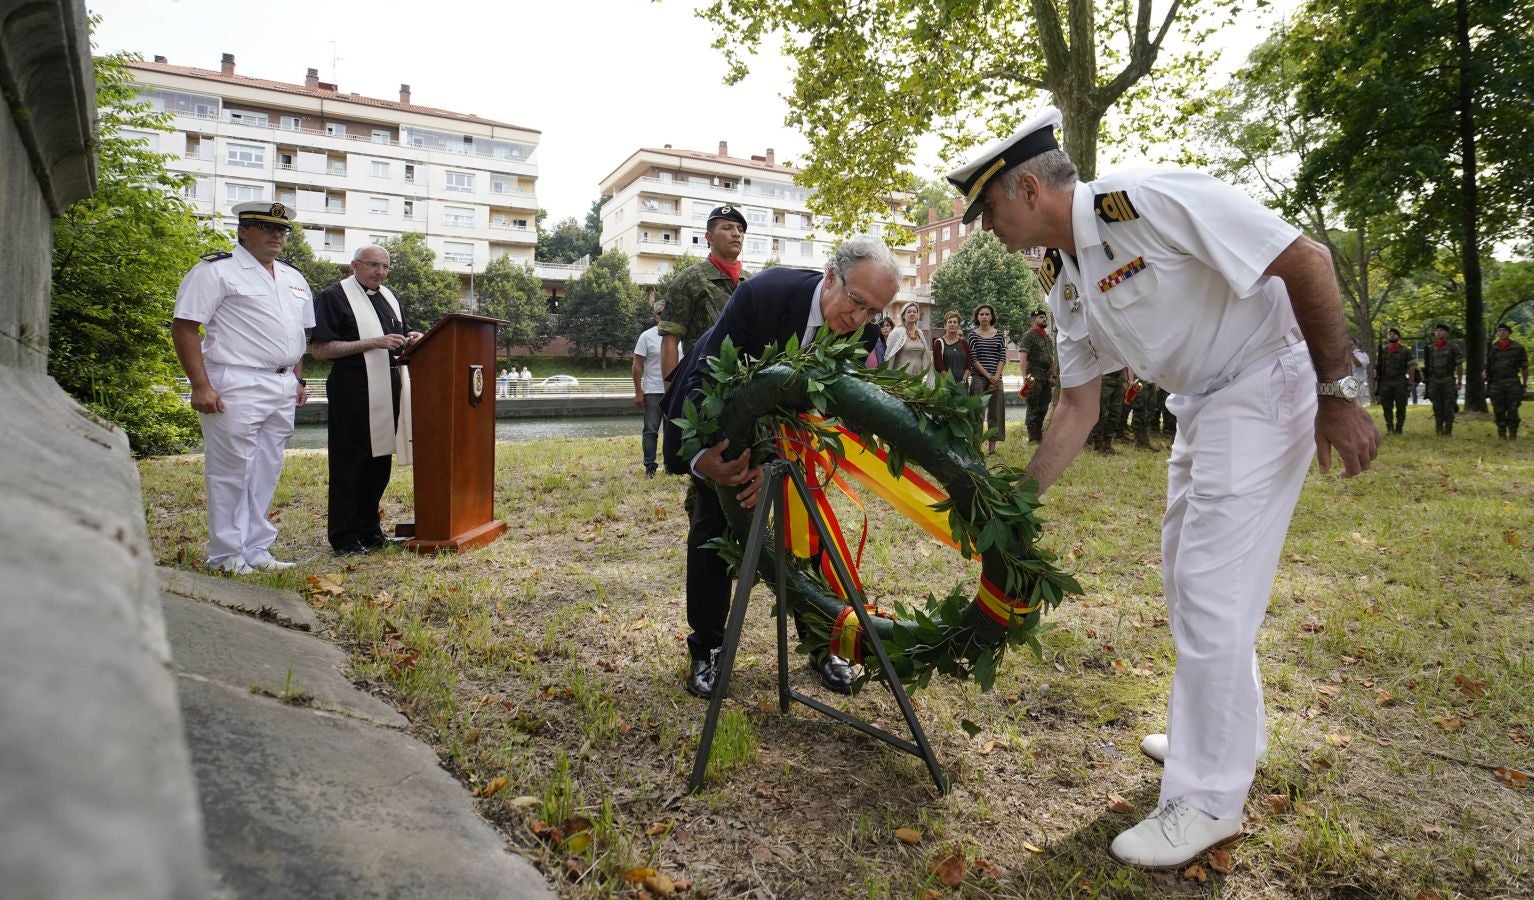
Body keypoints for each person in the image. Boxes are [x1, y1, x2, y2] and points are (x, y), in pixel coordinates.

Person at [945, 105, 1377, 868]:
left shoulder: (1147, 201)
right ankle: (1219, 737)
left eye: (987, 211)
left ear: (1027, 193)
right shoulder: (1060, 274)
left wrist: (1338, 392)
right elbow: (1077, 405)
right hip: (1203, 404)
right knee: (1190, 582)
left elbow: (1304, 258)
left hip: (1262, 382)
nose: (986, 230)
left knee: (1212, 587)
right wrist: (1017, 501)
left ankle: (1207, 799)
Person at [661, 236, 897, 701]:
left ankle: (821, 642)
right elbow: (704, 375)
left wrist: (772, 465)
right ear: (831, 276)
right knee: (712, 530)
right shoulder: (763, 295)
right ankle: (707, 648)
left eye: (874, 312)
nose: (860, 320)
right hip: (724, 423)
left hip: (797, 442)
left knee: (811, 536)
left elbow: (841, 409)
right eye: (856, 302)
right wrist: (706, 463)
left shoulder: (865, 332)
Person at [171, 201, 315, 574]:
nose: (276, 236)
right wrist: (200, 385)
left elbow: (300, 334)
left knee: (267, 467)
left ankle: (256, 549)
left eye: (281, 231)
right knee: (231, 469)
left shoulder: (292, 278)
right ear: (243, 230)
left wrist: (297, 378)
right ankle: (226, 554)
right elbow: (185, 327)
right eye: (266, 228)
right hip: (236, 379)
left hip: (282, 383)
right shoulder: (216, 271)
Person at [308, 245, 421, 555]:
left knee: (378, 465)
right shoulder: (333, 297)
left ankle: (370, 532)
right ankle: (344, 538)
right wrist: (374, 343)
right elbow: (320, 349)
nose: (380, 272)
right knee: (349, 466)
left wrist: (414, 336)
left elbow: (400, 332)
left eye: (385, 266)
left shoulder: (389, 297)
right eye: (373, 265)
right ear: (354, 264)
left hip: (388, 389)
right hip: (352, 392)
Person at [659, 206, 748, 384]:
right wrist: (670, 398)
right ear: (709, 237)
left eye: (740, 229)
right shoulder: (689, 279)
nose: (736, 234)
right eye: (727, 228)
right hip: (704, 385)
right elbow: (670, 339)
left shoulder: (752, 282)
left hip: (748, 385)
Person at [632, 310, 672, 476]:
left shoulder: (680, 336)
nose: (664, 315)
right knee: (650, 429)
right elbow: (637, 365)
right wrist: (638, 392)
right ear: (655, 316)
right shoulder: (646, 337)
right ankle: (650, 466)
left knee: (673, 431)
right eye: (660, 312)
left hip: (674, 391)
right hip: (653, 391)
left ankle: (671, 466)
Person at [966, 303, 1008, 454]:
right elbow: (973, 359)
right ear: (977, 317)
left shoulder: (999, 334)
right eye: (981, 314)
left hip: (997, 378)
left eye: (987, 314)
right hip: (979, 377)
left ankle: (992, 449)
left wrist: (996, 377)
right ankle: (976, 447)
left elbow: (1002, 357)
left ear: (992, 317)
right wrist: (989, 376)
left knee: (996, 413)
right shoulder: (972, 335)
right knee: (977, 413)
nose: (984, 316)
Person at [1017, 309, 1055, 443]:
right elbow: (1023, 358)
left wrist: (1053, 375)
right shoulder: (1029, 336)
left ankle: (1038, 435)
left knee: (1044, 406)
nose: (1044, 319)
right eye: (1041, 317)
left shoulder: (1047, 338)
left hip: (1046, 377)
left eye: (1045, 317)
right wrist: (1024, 377)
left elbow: (1051, 359)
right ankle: (1033, 438)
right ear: (1034, 321)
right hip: (1033, 376)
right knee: (1033, 406)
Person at [1486, 322, 1528, 440]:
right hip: (1496, 383)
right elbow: (1488, 364)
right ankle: (1501, 432)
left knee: (1512, 409)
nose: (1502, 332)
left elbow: (1524, 367)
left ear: (1509, 333)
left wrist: (1524, 384)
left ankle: (1513, 432)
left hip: (1512, 382)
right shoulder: (1493, 347)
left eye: (1504, 330)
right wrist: (1485, 374)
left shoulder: (1518, 347)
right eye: (1499, 330)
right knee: (1498, 409)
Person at [1423, 323, 1464, 436]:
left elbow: (1459, 365)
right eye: (1436, 330)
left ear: (1447, 332)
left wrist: (1459, 381)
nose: (1438, 332)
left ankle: (1448, 430)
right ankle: (1439, 429)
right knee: (1437, 407)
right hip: (1434, 381)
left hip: (1448, 381)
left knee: (1448, 407)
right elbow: (1428, 365)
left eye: (1441, 330)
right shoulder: (1431, 348)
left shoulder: (1453, 347)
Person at [883, 300, 934, 385]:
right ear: (903, 315)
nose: (912, 314)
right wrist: (887, 378)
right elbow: (888, 356)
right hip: (900, 379)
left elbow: (926, 357)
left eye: (914, 312)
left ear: (917, 315)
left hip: (918, 379)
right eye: (909, 312)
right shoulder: (896, 332)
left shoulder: (920, 333)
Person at [1374, 328, 1414, 434]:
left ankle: (1399, 427)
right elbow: (1378, 366)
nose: (1391, 335)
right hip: (1385, 382)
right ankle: (1390, 427)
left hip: (1400, 382)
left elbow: (1411, 367)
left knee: (1401, 406)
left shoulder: (1405, 350)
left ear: (1398, 336)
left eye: (1394, 334)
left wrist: (1410, 382)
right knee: (1386, 406)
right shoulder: (1383, 350)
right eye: (1390, 334)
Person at [930, 310, 972, 385]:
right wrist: (950, 383)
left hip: (962, 385)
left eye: (955, 322)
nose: (952, 324)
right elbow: (939, 366)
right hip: (945, 385)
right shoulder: (939, 343)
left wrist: (963, 381)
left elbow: (968, 365)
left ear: (959, 326)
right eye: (949, 322)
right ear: (945, 326)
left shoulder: (964, 343)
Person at [1348, 338, 1371, 406]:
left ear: (1356, 345)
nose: (1349, 346)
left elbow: (1358, 364)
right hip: (1346, 383)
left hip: (1358, 383)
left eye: (1351, 345)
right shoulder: (1344, 355)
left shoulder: (1362, 354)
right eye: (1348, 345)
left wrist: (1351, 354)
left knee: (1358, 405)